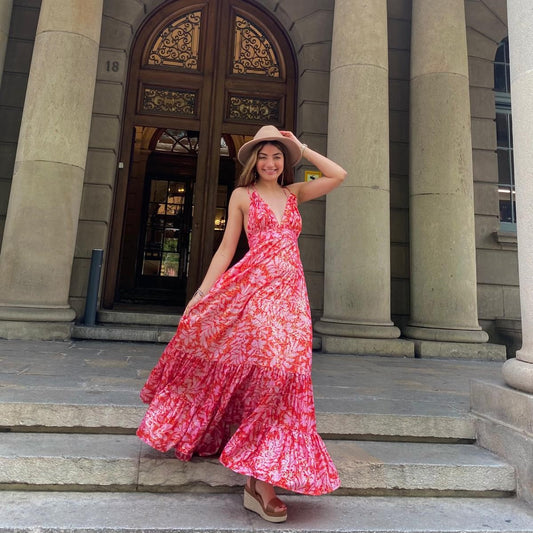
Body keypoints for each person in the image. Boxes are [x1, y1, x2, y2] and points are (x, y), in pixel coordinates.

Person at [137, 125, 347, 523]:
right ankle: (262, 482)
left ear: (285, 162)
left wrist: (302, 146)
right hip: (255, 292)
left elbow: (339, 175)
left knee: (290, 374)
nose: (271, 163)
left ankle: (256, 479)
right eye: (264, 156)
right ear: (254, 161)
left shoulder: (295, 193)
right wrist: (201, 295)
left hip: (293, 297)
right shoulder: (242, 196)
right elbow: (225, 250)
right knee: (272, 373)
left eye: (278, 156)